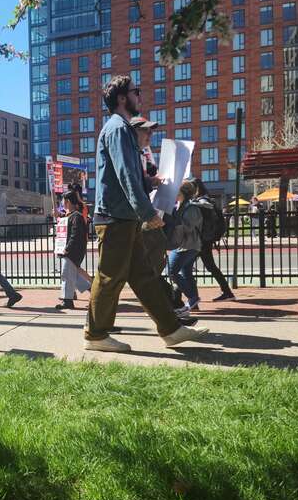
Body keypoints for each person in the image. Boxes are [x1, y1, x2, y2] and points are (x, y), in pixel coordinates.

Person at [84, 75, 207, 352]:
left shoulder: (121, 129)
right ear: (121, 98)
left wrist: (149, 183)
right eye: (135, 92)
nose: (140, 96)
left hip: (123, 218)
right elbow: (125, 173)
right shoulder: (118, 128)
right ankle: (95, 335)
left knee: (144, 276)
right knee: (109, 276)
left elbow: (124, 175)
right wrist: (147, 211)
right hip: (116, 218)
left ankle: (171, 329)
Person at [191, 178, 234, 302]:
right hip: (206, 239)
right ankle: (227, 292)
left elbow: (203, 211)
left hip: (200, 239)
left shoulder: (202, 201)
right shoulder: (208, 198)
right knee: (210, 266)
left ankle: (184, 298)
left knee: (184, 267)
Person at [167, 181, 203, 315]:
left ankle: (193, 298)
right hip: (186, 245)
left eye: (176, 191)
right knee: (186, 272)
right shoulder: (180, 205)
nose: (174, 193)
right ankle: (193, 303)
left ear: (183, 193)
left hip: (187, 245)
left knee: (171, 270)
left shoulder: (191, 207)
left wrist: (172, 221)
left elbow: (188, 227)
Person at [56, 190, 91, 310]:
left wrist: (67, 248)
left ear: (68, 201)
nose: (62, 203)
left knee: (66, 274)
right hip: (71, 250)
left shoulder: (76, 216)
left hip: (73, 251)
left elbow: (75, 235)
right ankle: (93, 290)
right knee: (74, 275)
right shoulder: (72, 216)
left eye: (63, 201)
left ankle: (67, 301)